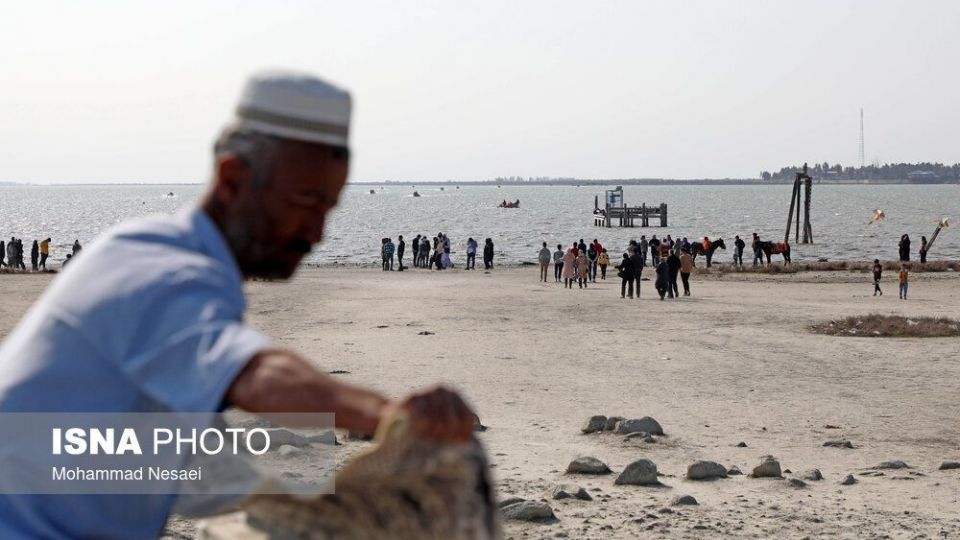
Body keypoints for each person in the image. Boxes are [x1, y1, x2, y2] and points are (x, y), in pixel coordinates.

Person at [0, 71, 474, 538]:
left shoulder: (184, 273)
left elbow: (169, 463)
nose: (318, 232)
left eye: (328, 208)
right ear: (232, 179)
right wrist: (391, 416)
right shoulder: (157, 266)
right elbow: (258, 375)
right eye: (305, 202)